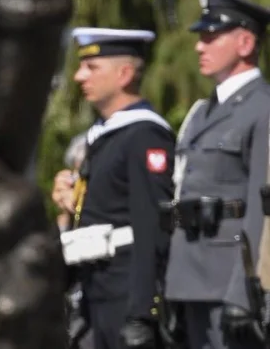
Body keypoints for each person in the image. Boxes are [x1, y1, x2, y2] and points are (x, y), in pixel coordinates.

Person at [52, 27, 175, 349]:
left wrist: (143, 311)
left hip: (126, 293)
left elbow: (152, 225)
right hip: (96, 291)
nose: (79, 76)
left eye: (92, 68)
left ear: (124, 74)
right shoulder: (103, 136)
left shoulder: (144, 135)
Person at [165, 0, 270, 349]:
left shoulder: (262, 109)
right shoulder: (200, 114)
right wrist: (173, 287)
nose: (199, 47)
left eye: (211, 37)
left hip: (231, 282)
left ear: (244, 43)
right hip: (190, 280)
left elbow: (262, 209)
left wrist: (244, 292)